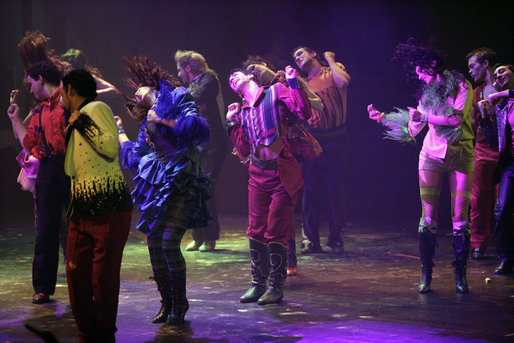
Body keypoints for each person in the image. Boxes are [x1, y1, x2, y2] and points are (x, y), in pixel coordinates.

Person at [367, 38, 474, 293]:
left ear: (432, 64)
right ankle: (427, 272)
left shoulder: (461, 84)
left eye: (419, 67)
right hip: (431, 157)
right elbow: (413, 127)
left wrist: (424, 116)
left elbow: (456, 119)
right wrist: (383, 118)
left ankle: (460, 273)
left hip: (461, 156)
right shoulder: (426, 94)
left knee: (460, 219)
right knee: (428, 218)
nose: (417, 74)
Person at [117, 56, 211, 324]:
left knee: (169, 242)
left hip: (181, 176)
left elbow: (197, 128)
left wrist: (164, 119)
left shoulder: (178, 95)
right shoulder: (146, 120)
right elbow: (135, 157)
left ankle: (180, 302)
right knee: (155, 244)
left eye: (139, 87)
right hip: (158, 181)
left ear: (151, 85)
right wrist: (121, 131)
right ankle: (166, 301)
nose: (136, 92)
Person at [226, 66, 311, 305]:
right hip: (256, 174)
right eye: (230, 80)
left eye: (236, 73)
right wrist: (231, 123)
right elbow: (243, 149)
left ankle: (275, 286)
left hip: (280, 173)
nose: (232, 77)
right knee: (255, 230)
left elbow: (303, 111)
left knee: (275, 230)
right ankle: (257, 284)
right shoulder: (242, 110)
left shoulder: (275, 92)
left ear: (250, 76)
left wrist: (294, 83)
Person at [61, 69, 133, 343]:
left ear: (69, 90)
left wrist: (81, 122)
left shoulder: (96, 107)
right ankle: (87, 334)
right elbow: (70, 166)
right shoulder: (76, 118)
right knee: (75, 272)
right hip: (81, 208)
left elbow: (109, 147)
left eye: (62, 93)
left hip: (108, 207)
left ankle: (103, 335)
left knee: (102, 279)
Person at [242, 55, 324, 276]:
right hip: (264, 155)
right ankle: (272, 262)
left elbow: (316, 104)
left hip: (288, 148)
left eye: (257, 69)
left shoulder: (282, 84)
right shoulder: (251, 94)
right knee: (266, 213)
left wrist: (294, 88)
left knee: (283, 207)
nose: (255, 73)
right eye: (251, 71)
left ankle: (289, 260)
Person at [7, 61, 69, 304]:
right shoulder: (41, 110)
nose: (30, 89)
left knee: (77, 228)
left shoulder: (69, 102)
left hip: (72, 167)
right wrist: (15, 120)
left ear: (40, 78)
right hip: (48, 169)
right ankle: (43, 287)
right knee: (45, 230)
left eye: (31, 83)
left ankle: (82, 282)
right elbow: (30, 144)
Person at [292, 46, 351, 255]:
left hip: (337, 141)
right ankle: (310, 240)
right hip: (314, 143)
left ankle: (335, 238)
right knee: (309, 192)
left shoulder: (333, 70)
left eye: (300, 53)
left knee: (335, 191)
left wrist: (331, 59)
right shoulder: (303, 83)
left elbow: (344, 82)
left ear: (314, 53)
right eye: (295, 57)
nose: (297, 58)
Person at [174, 50, 228, 252]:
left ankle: (210, 237)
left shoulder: (209, 79)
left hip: (212, 143)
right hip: (196, 144)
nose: (179, 74)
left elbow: (194, 97)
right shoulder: (192, 84)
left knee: (205, 188)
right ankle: (198, 236)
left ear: (188, 67)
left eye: (180, 69)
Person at [477, 64, 514, 275]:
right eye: (496, 74)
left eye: (503, 71)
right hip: (510, 163)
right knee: (502, 209)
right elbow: (493, 142)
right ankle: (507, 258)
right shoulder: (502, 107)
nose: (498, 75)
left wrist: (496, 94)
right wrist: (483, 115)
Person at [466, 48, 500, 260]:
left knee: (504, 201)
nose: (470, 71)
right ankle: (478, 243)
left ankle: (507, 244)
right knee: (478, 198)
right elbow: (470, 124)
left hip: (505, 150)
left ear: (485, 64)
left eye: (472, 66)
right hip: (481, 150)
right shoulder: (475, 92)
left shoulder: (505, 88)